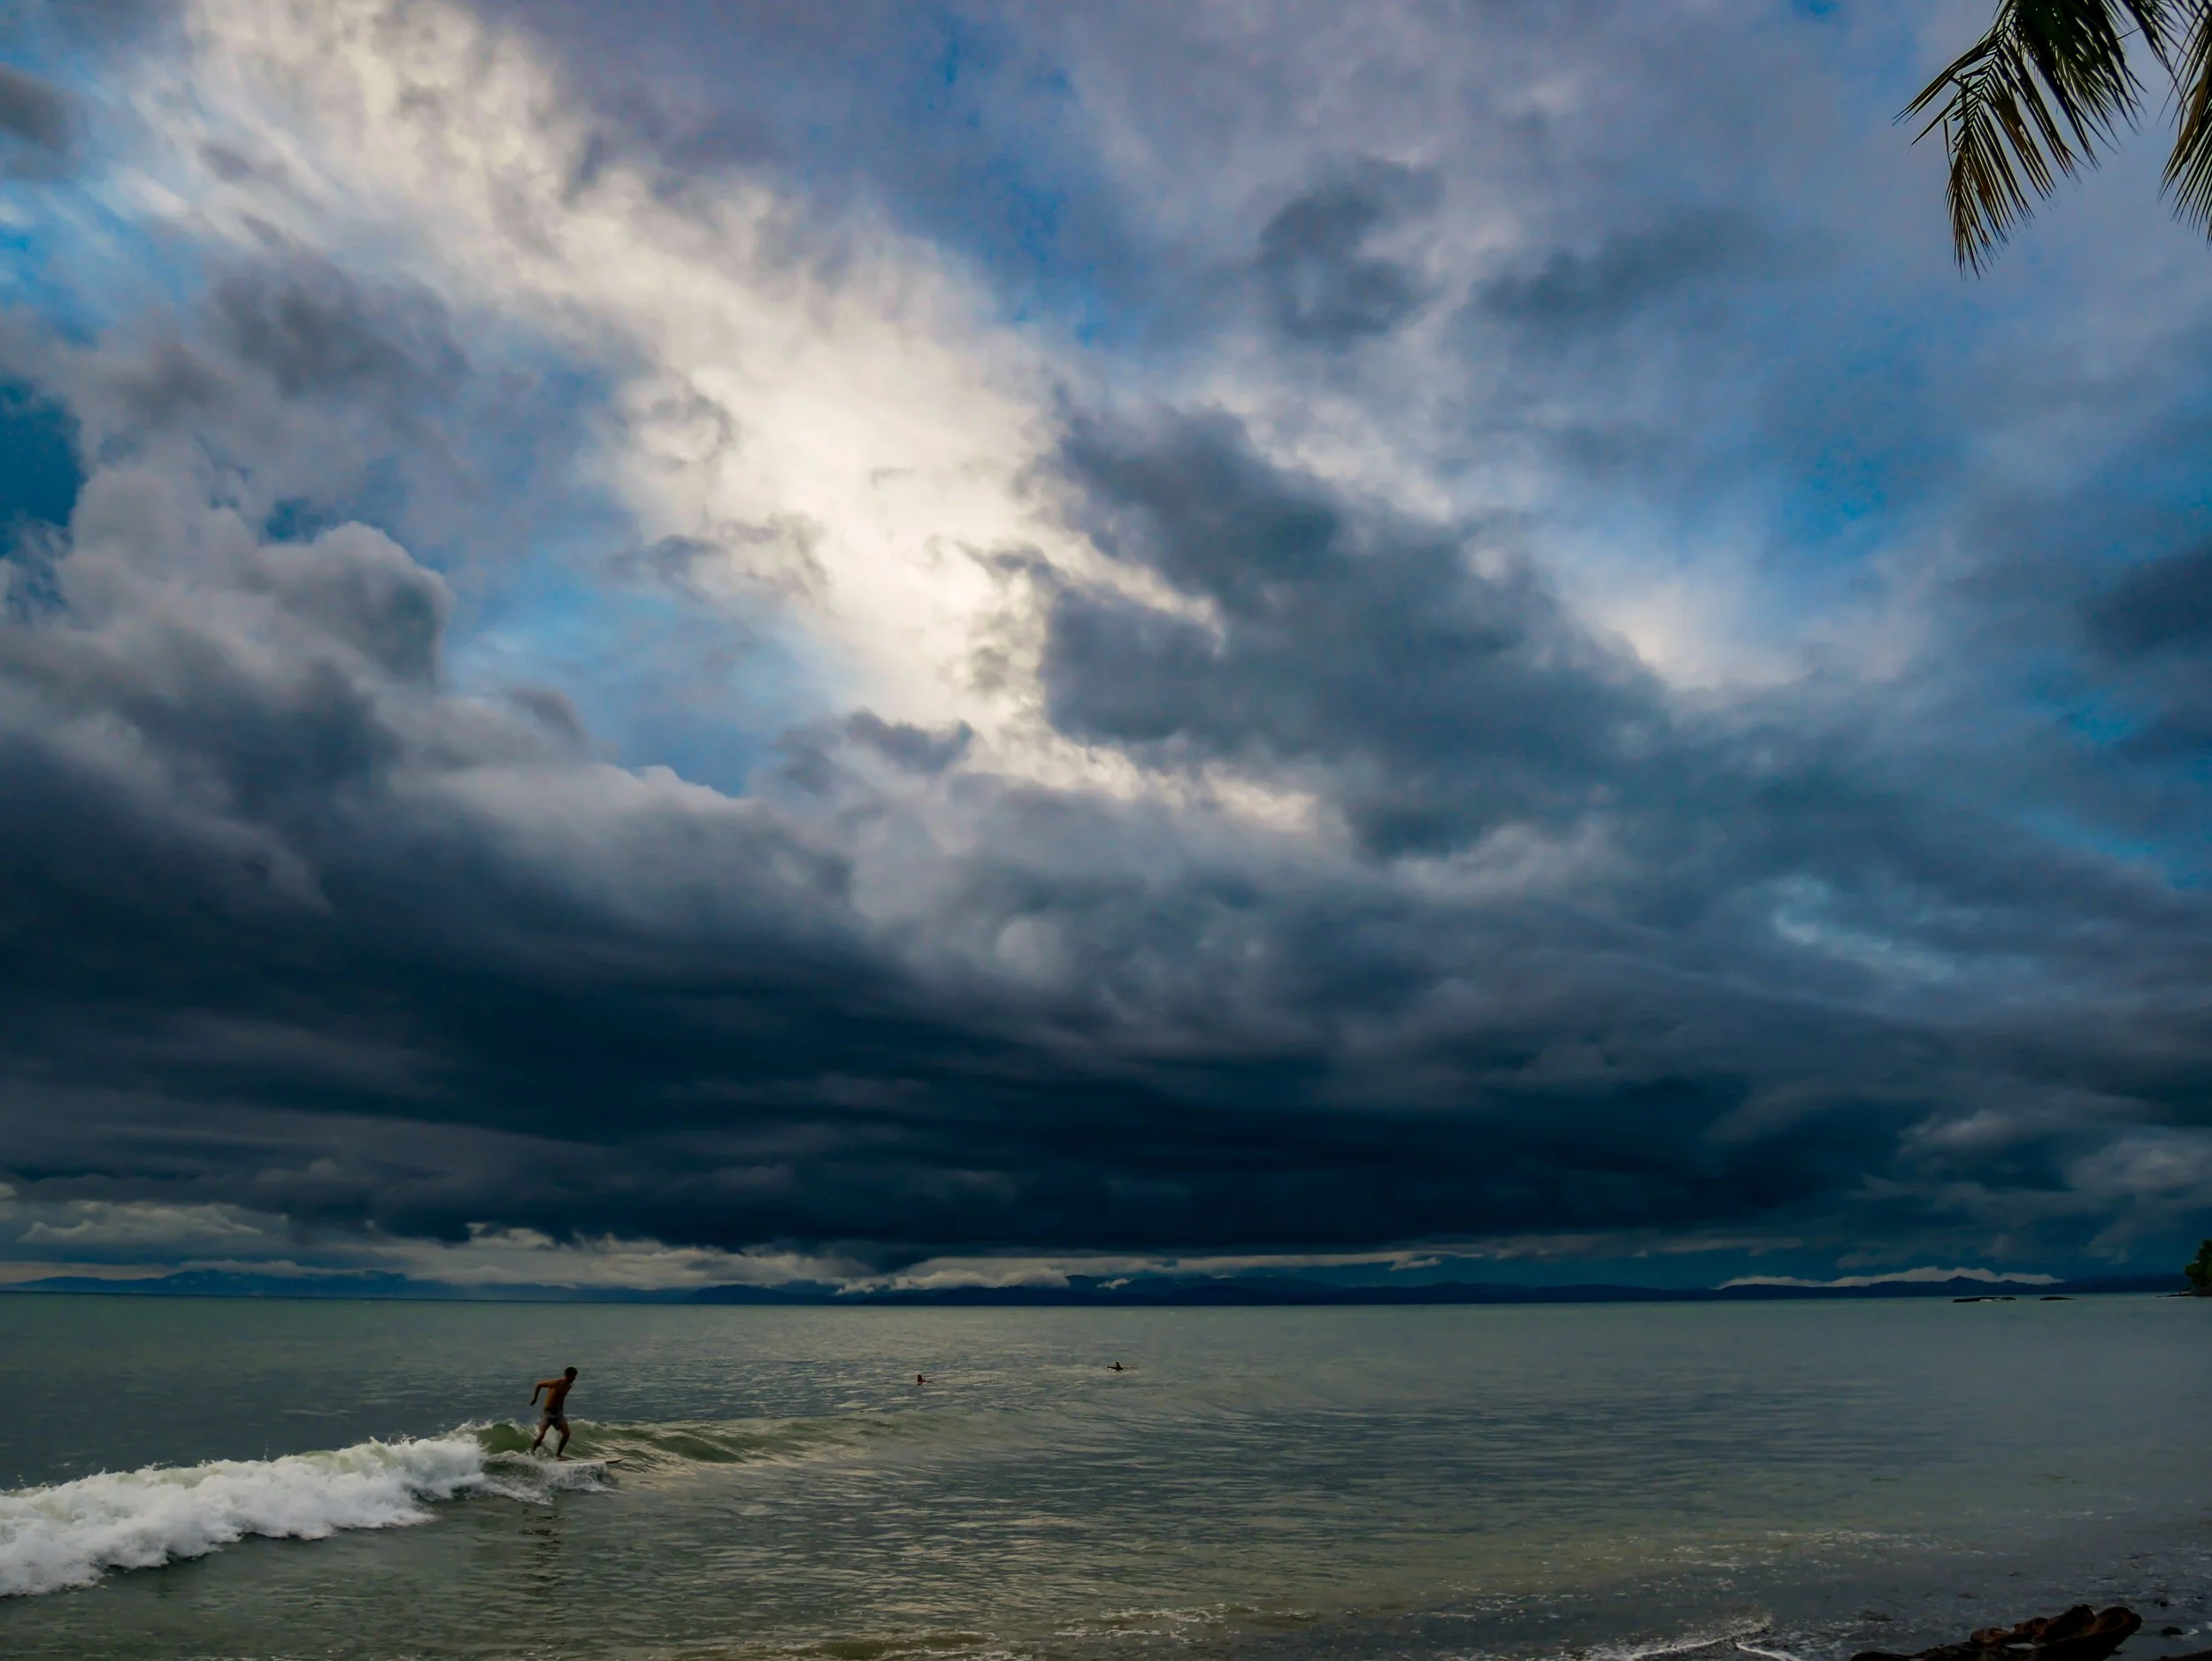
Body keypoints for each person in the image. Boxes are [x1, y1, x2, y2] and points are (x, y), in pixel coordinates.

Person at [531, 1366, 579, 1459]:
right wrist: (535, 1399)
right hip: (548, 1412)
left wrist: (561, 1412)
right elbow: (539, 1385)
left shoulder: (568, 1386)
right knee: (542, 1434)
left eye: (575, 1377)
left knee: (566, 1434)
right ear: (568, 1376)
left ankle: (558, 1454)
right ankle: (532, 1454)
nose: (574, 1378)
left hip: (558, 1413)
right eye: (573, 1376)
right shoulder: (556, 1383)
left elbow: (561, 1399)